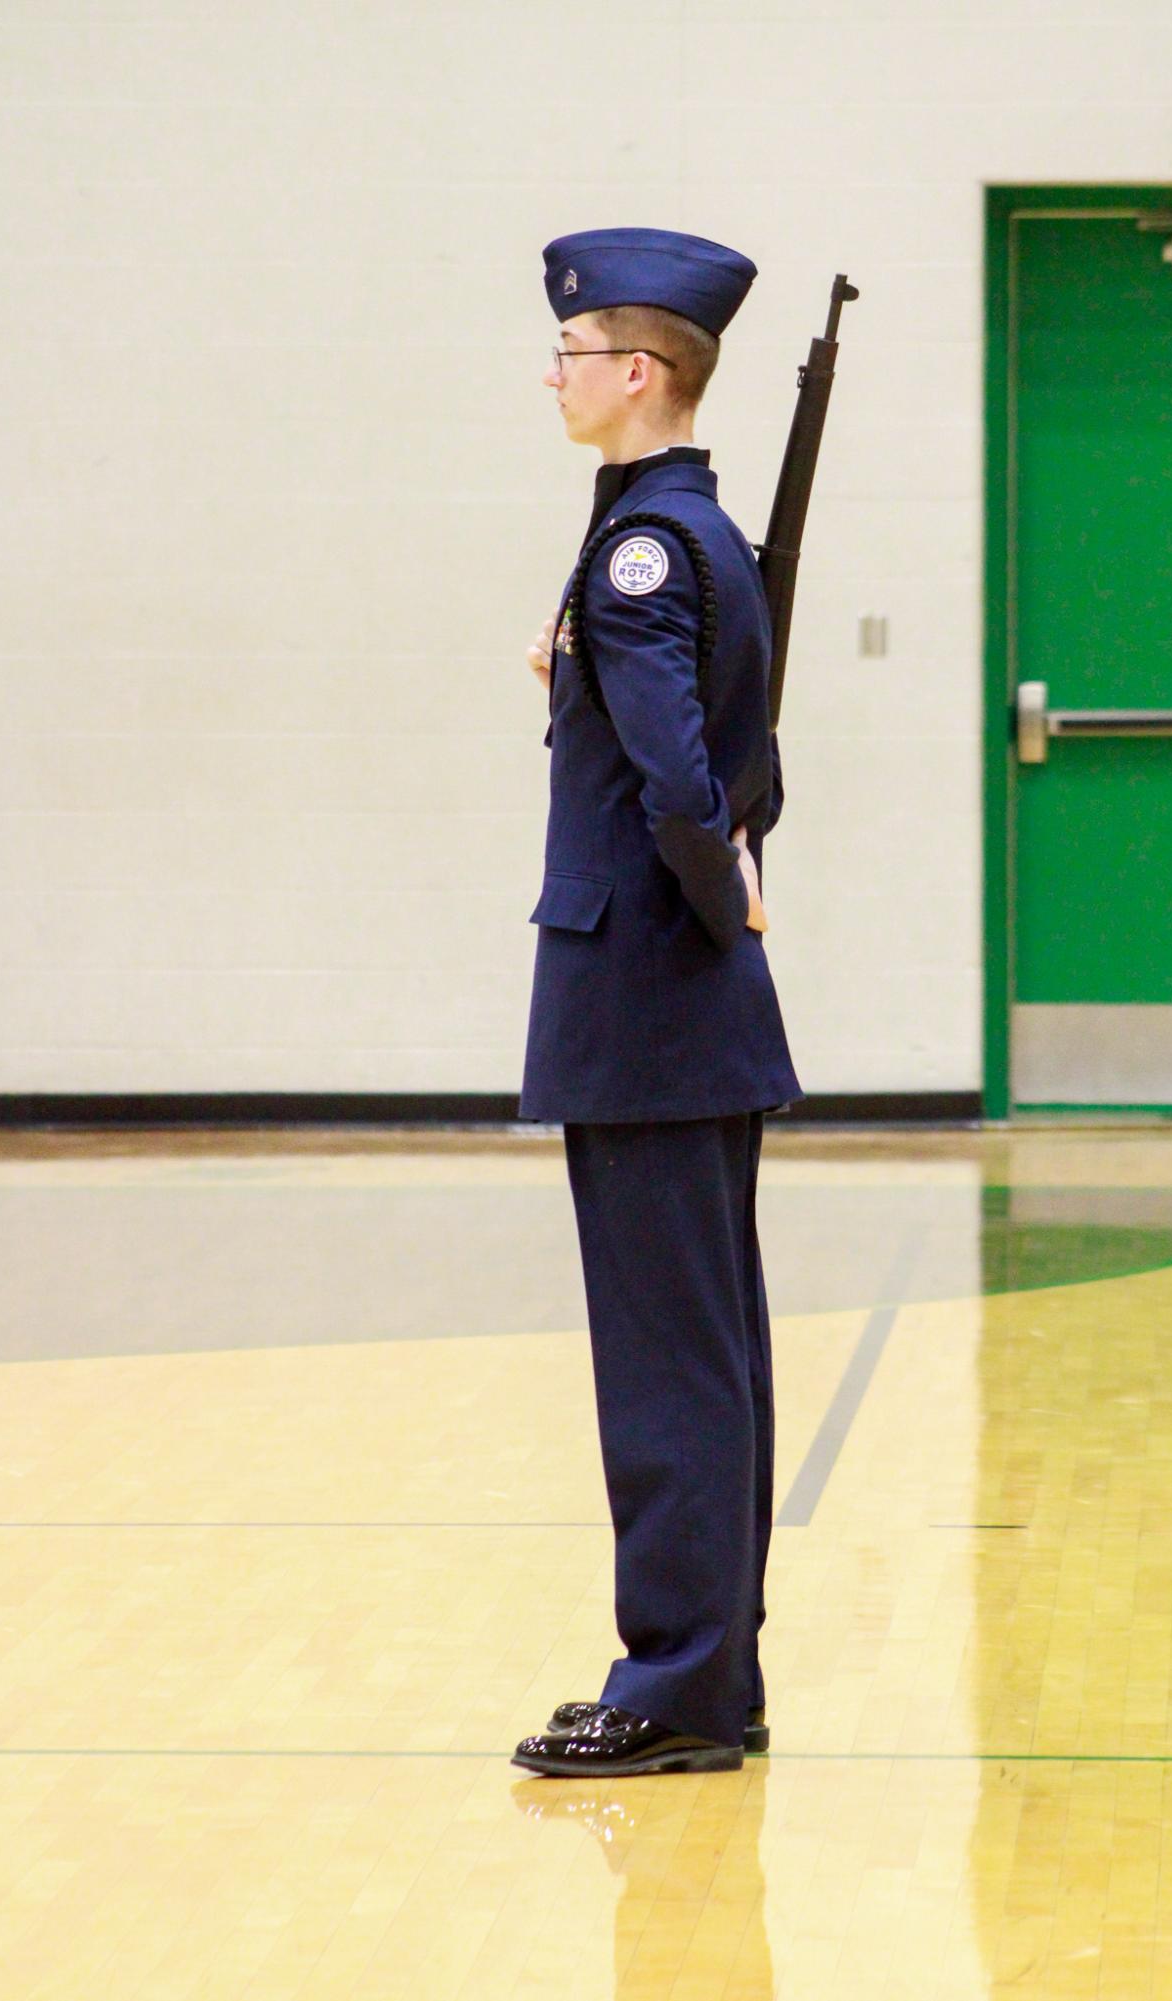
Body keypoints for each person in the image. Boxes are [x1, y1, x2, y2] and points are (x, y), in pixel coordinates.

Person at [511, 227, 802, 1779]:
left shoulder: (637, 549)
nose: (549, 376)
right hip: (688, 1005)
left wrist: (717, 905)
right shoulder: (691, 537)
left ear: (638, 373)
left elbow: (693, 793)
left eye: (569, 354)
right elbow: (743, 768)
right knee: (709, 1348)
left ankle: (678, 1681)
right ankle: (707, 1669)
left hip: (643, 999)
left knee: (667, 1362)